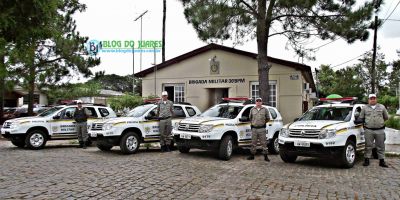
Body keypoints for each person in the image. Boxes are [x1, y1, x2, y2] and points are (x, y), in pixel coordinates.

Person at [356, 94, 389, 167]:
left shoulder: (382, 107)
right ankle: (367, 160)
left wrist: (380, 123)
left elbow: (386, 117)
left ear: (376, 99)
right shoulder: (364, 108)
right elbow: (361, 117)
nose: (373, 100)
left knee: (381, 146)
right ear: (368, 100)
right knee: (368, 146)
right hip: (368, 130)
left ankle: (382, 161)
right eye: (371, 98)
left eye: (374, 98)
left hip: (380, 130)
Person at [247, 97, 270, 161]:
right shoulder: (252, 109)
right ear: (255, 102)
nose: (258, 102)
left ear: (261, 102)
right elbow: (250, 118)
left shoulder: (265, 109)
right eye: (257, 101)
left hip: (262, 129)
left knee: (264, 143)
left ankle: (266, 156)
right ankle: (252, 155)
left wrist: (263, 123)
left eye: (260, 101)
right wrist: (253, 123)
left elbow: (268, 118)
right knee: (253, 143)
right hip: (254, 129)